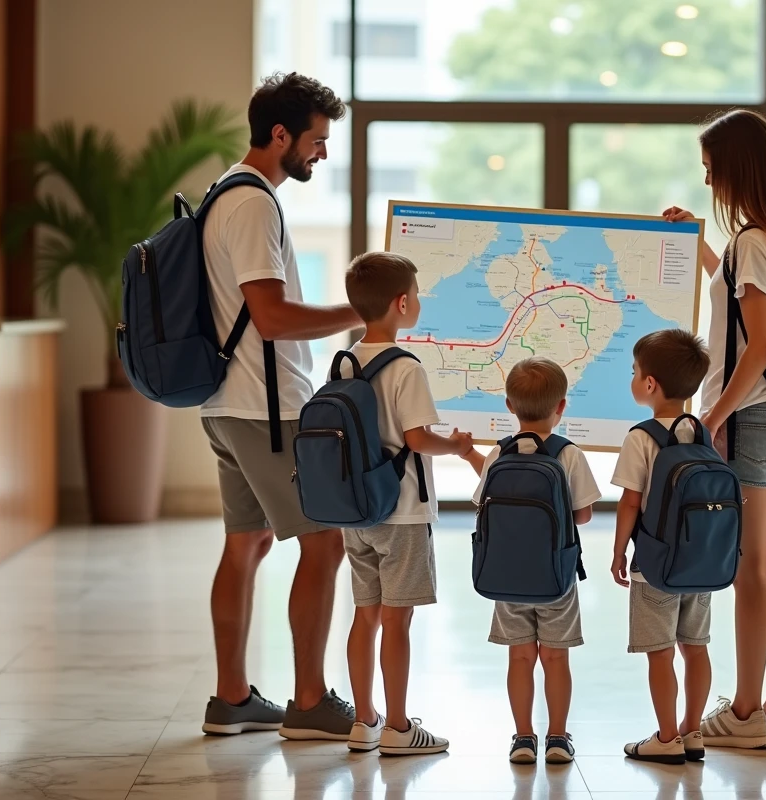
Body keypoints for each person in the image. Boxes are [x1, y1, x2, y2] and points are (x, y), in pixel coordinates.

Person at [199, 72, 361, 739]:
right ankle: (308, 701)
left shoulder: (221, 193)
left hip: (225, 402)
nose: (321, 154)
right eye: (317, 140)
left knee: (247, 542)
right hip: (269, 408)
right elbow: (269, 316)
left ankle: (232, 698)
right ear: (280, 134)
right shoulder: (257, 203)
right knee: (324, 543)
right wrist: (359, 312)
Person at [663, 109, 766, 749]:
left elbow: (756, 345)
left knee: (751, 568)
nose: (709, 184)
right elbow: (735, 296)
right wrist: (700, 245)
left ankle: (747, 712)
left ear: (735, 168)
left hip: (754, 418)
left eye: (711, 171)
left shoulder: (753, 240)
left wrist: (713, 416)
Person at [337, 252, 473, 755]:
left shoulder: (345, 360)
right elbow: (417, 439)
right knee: (398, 620)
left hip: (355, 510)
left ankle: (364, 720)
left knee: (365, 614)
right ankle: (398, 727)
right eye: (415, 295)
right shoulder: (405, 367)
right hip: (402, 512)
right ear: (402, 304)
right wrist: (456, 445)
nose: (417, 302)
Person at [461, 358, 602, 765]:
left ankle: (523, 738)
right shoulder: (568, 453)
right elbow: (583, 515)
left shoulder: (499, 453)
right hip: (556, 576)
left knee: (519, 657)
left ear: (509, 405)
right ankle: (557, 738)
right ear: (561, 406)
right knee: (556, 657)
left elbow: (481, 506)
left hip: (506, 577)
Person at [610, 330, 713, 764]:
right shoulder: (700, 431)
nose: (632, 379)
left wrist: (619, 553)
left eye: (635, 372)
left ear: (650, 384)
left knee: (660, 654)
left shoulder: (642, 437)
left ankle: (666, 738)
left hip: (655, 565)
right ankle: (693, 732)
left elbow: (631, 501)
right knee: (697, 647)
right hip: (701, 561)